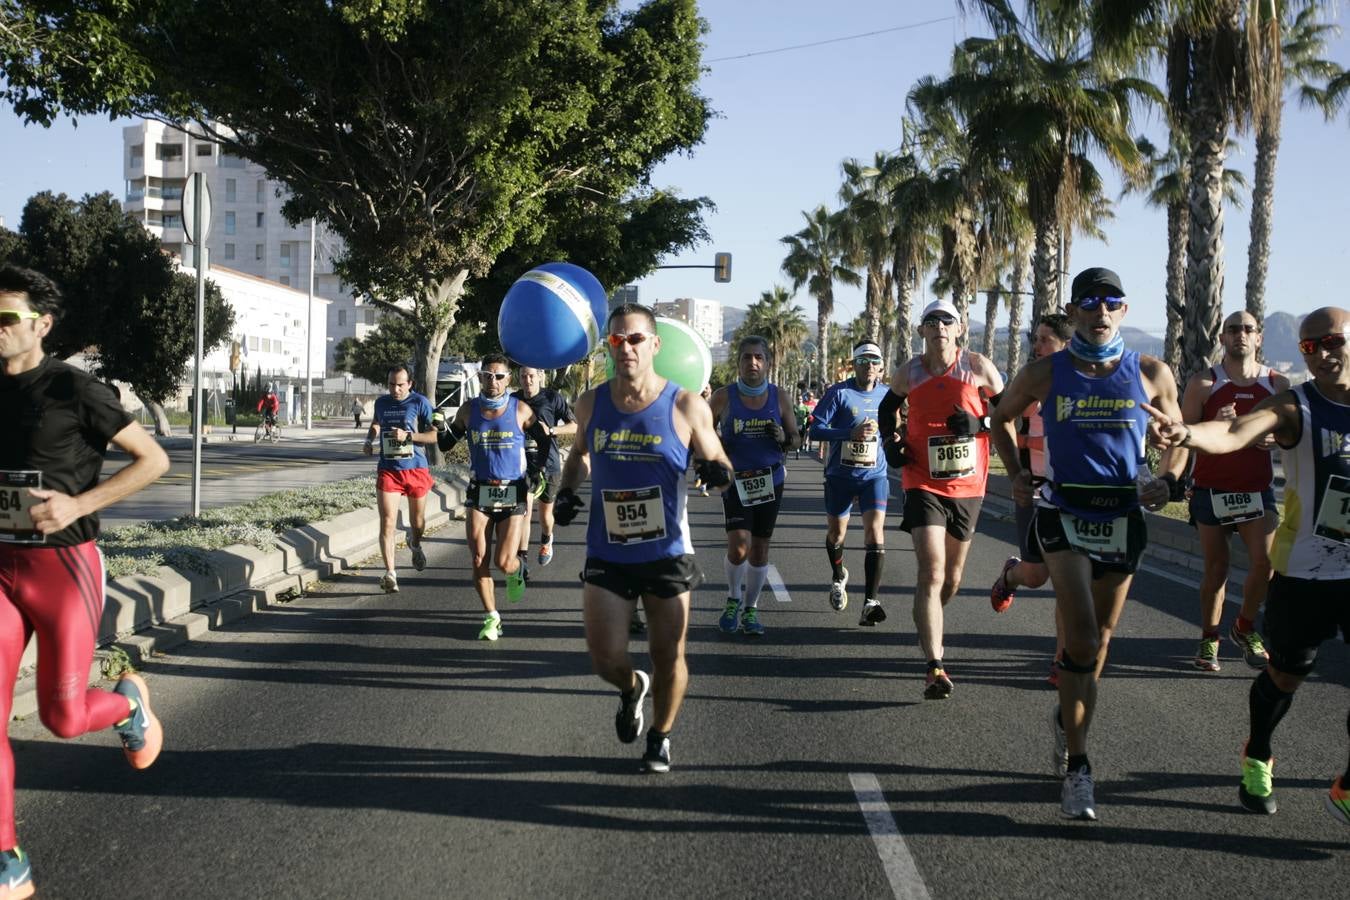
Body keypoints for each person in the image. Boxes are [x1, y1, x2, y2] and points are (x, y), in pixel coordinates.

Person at [990, 267, 1186, 821]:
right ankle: (1079, 767)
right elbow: (999, 418)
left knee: (1097, 643)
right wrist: (1017, 472)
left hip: (1122, 515)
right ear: (1074, 311)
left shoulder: (1150, 372)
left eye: (1112, 303)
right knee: (1077, 636)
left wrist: (1167, 480)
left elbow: (1178, 439)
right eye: (1090, 304)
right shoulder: (1044, 373)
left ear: (1123, 311)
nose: (1101, 313)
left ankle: (1065, 721)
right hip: (1062, 512)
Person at [0, 264, 171, 896]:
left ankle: (128, 704)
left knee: (63, 717)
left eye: (6, 319)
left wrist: (77, 505)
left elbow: (153, 460)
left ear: (41, 325)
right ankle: (7, 858)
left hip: (62, 566)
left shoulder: (75, 389)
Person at [1145, 305, 1350, 826]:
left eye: (1333, 342)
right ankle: (1258, 753)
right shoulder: (1294, 404)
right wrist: (1188, 435)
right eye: (1310, 346)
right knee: (1284, 675)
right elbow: (1234, 434)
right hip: (1307, 571)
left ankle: (1346, 786)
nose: (1323, 353)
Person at [552, 303, 732, 773]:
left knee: (668, 653)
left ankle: (661, 736)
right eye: (617, 340)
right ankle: (632, 688)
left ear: (655, 345)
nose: (625, 348)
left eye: (635, 339)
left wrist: (715, 471)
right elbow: (578, 454)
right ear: (609, 346)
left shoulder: (685, 405)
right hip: (607, 549)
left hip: (667, 551)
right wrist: (567, 491)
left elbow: (719, 461)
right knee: (605, 658)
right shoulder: (591, 403)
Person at [879, 298, 1004, 700]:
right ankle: (935, 665)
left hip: (968, 486)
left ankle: (928, 616)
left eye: (946, 321)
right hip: (921, 481)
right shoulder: (910, 372)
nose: (939, 328)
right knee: (931, 573)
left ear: (960, 329)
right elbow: (887, 409)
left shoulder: (979, 366)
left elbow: (1010, 414)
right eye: (931, 322)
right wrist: (891, 443)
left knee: (951, 579)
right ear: (921, 332)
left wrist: (979, 422)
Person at [1180, 310, 1288, 672]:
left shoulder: (1278, 384)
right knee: (1217, 569)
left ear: (1259, 337)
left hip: (1257, 490)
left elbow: (1291, 435)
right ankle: (1209, 639)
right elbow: (1183, 438)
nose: (1240, 334)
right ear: (1222, 338)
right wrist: (1215, 426)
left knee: (1266, 564)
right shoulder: (1203, 384)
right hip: (1212, 490)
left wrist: (1276, 439)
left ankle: (1244, 626)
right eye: (1233, 329)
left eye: (1247, 329)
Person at [989, 313, 1073, 685]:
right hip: (1033, 492)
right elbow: (997, 419)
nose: (1035, 347)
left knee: (1068, 583)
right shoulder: (1028, 387)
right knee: (1037, 576)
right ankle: (1011, 574)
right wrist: (1015, 474)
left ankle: (1062, 659)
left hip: (1070, 499)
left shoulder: (1083, 387)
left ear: (1066, 344)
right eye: (1035, 339)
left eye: (1044, 340)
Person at [438, 355, 549, 640]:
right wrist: (441, 427)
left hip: (512, 489)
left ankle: (517, 569)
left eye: (499, 376)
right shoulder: (468, 410)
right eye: (488, 375)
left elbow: (543, 438)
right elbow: (447, 443)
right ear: (480, 377)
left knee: (503, 561)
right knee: (478, 558)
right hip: (480, 489)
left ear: (508, 379)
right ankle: (492, 617)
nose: (494, 381)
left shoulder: (520, 409)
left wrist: (536, 471)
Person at [708, 336, 800, 637]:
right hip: (736, 481)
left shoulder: (780, 397)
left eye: (759, 357)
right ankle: (734, 596)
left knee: (759, 550)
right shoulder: (724, 396)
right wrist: (714, 452)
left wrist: (783, 439)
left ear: (768, 363)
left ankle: (751, 609)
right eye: (747, 357)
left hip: (770, 480)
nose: (753, 363)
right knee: (739, 546)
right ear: (738, 363)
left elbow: (796, 438)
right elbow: (702, 431)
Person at [809, 340, 892, 622]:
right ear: (854, 364)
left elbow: (899, 427)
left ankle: (870, 602)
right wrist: (848, 433)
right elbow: (816, 430)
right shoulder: (839, 393)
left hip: (874, 476)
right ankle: (838, 574)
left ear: (881, 366)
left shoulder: (888, 395)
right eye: (863, 360)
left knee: (875, 534)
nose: (869, 365)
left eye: (874, 361)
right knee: (837, 535)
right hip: (840, 476)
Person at [363, 365, 437, 593]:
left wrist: (409, 436)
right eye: (391, 384)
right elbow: (376, 423)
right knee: (387, 521)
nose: (395, 389)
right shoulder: (382, 403)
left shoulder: (420, 403)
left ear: (410, 384)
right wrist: (369, 439)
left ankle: (415, 544)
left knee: (418, 522)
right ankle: (391, 573)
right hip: (389, 469)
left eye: (400, 384)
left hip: (415, 468)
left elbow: (434, 435)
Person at [514, 366, 577, 571]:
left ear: (540, 376)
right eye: (523, 376)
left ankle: (547, 538)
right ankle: (521, 558)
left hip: (549, 464)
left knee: (545, 516)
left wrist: (550, 430)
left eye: (531, 376)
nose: (528, 380)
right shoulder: (513, 399)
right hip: (522, 465)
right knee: (525, 509)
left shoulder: (552, 398)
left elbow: (574, 426)